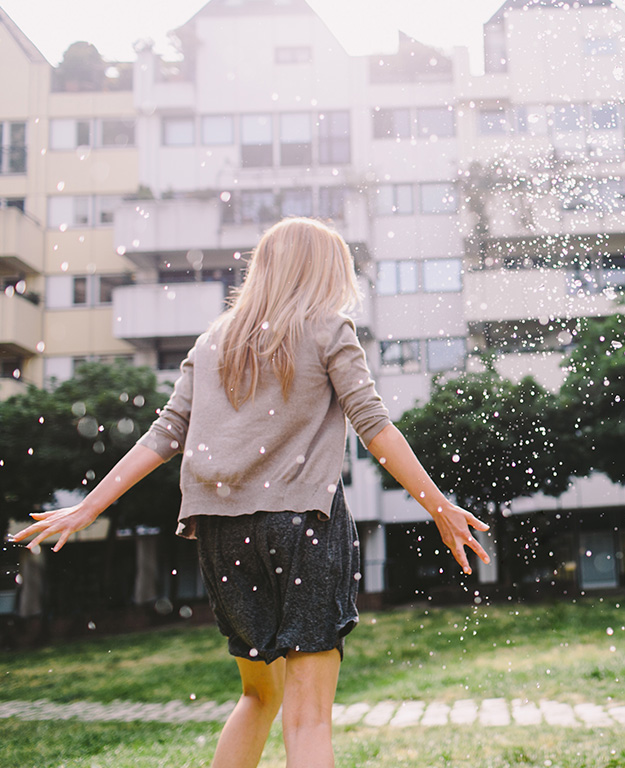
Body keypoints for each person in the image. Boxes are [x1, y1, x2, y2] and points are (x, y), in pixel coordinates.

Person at [12, 217, 491, 768]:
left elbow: (165, 433)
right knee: (308, 716)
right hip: (302, 527)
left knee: (258, 695)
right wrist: (439, 506)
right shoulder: (328, 328)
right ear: (321, 272)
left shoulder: (214, 340)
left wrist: (89, 506)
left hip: (221, 533)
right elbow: (373, 425)